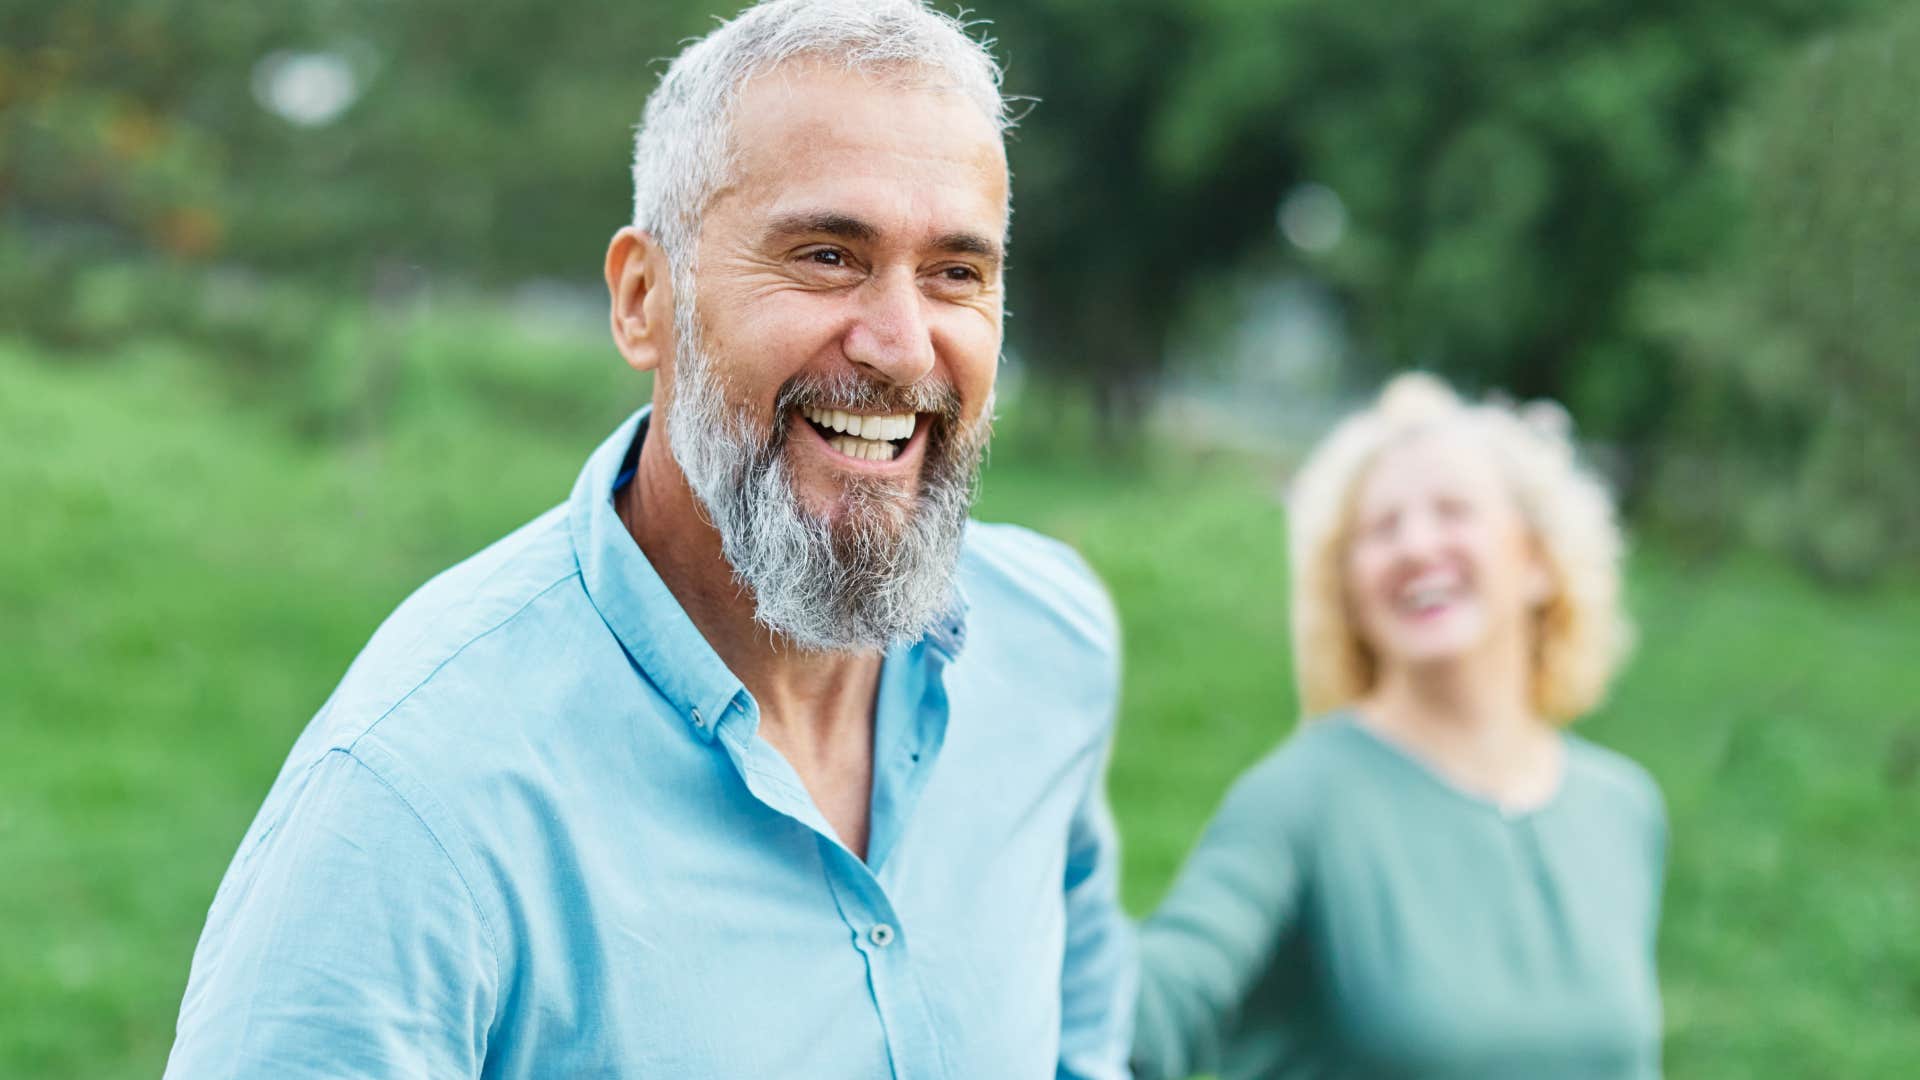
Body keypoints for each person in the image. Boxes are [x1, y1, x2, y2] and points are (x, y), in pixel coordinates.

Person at [164, 2, 1134, 1076]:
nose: (903, 346)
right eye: (825, 255)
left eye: (958, 273)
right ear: (642, 300)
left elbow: (1081, 1032)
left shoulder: (1054, 648)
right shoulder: (416, 796)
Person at [1132, 373, 1665, 1079]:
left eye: (1453, 512)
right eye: (1380, 530)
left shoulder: (1623, 809)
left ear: (1537, 562)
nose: (1416, 546)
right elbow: (1153, 1009)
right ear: (1346, 590)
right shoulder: (1301, 798)